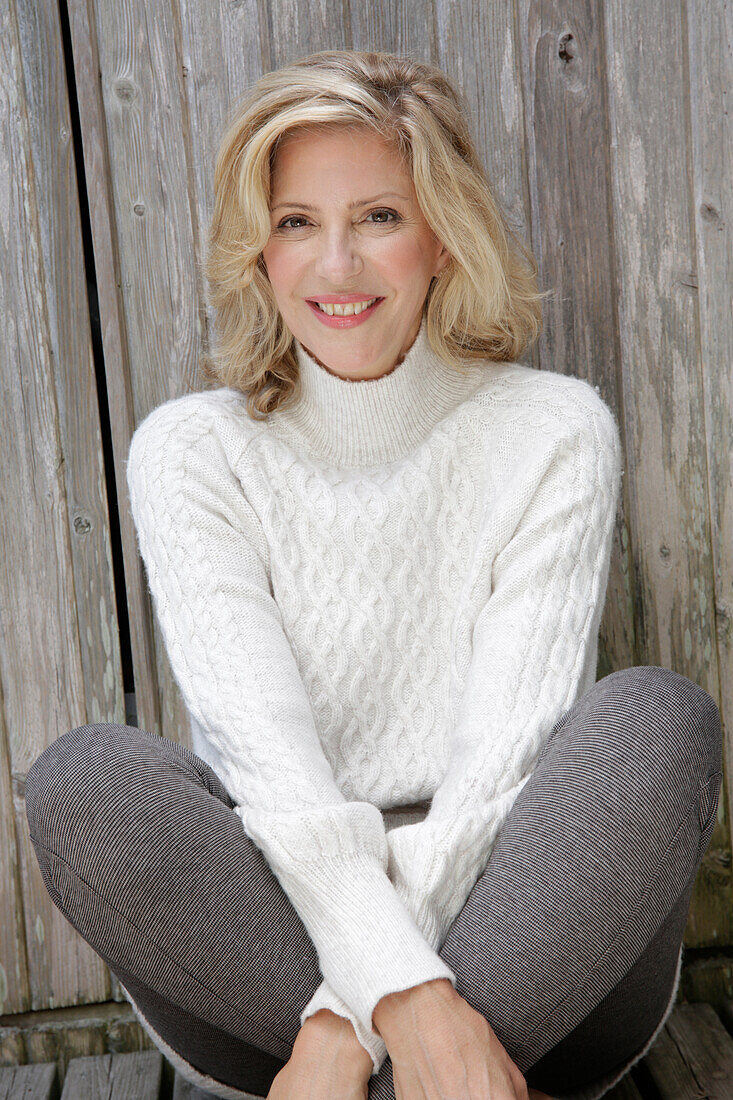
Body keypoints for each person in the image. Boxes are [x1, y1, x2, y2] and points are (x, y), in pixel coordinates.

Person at [24, 49, 722, 1100]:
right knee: (84, 783)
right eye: (296, 221)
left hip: (533, 936)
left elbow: (502, 763)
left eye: (379, 218)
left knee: (656, 720)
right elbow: (267, 765)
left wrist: (364, 1012)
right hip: (279, 940)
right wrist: (402, 990)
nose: (335, 265)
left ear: (442, 232)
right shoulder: (191, 451)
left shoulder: (548, 430)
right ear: (257, 250)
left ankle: (377, 1071)